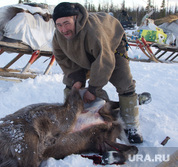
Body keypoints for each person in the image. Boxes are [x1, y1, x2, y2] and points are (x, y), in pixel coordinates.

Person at [52, 2, 148, 143]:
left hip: (112, 47)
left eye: (66, 23)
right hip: (84, 53)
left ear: (76, 18)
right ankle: (76, 120)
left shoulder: (93, 30)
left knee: (124, 84)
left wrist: (93, 89)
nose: (63, 29)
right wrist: (78, 79)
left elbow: (104, 61)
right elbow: (63, 58)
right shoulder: (58, 36)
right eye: (59, 25)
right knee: (71, 86)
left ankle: (132, 126)